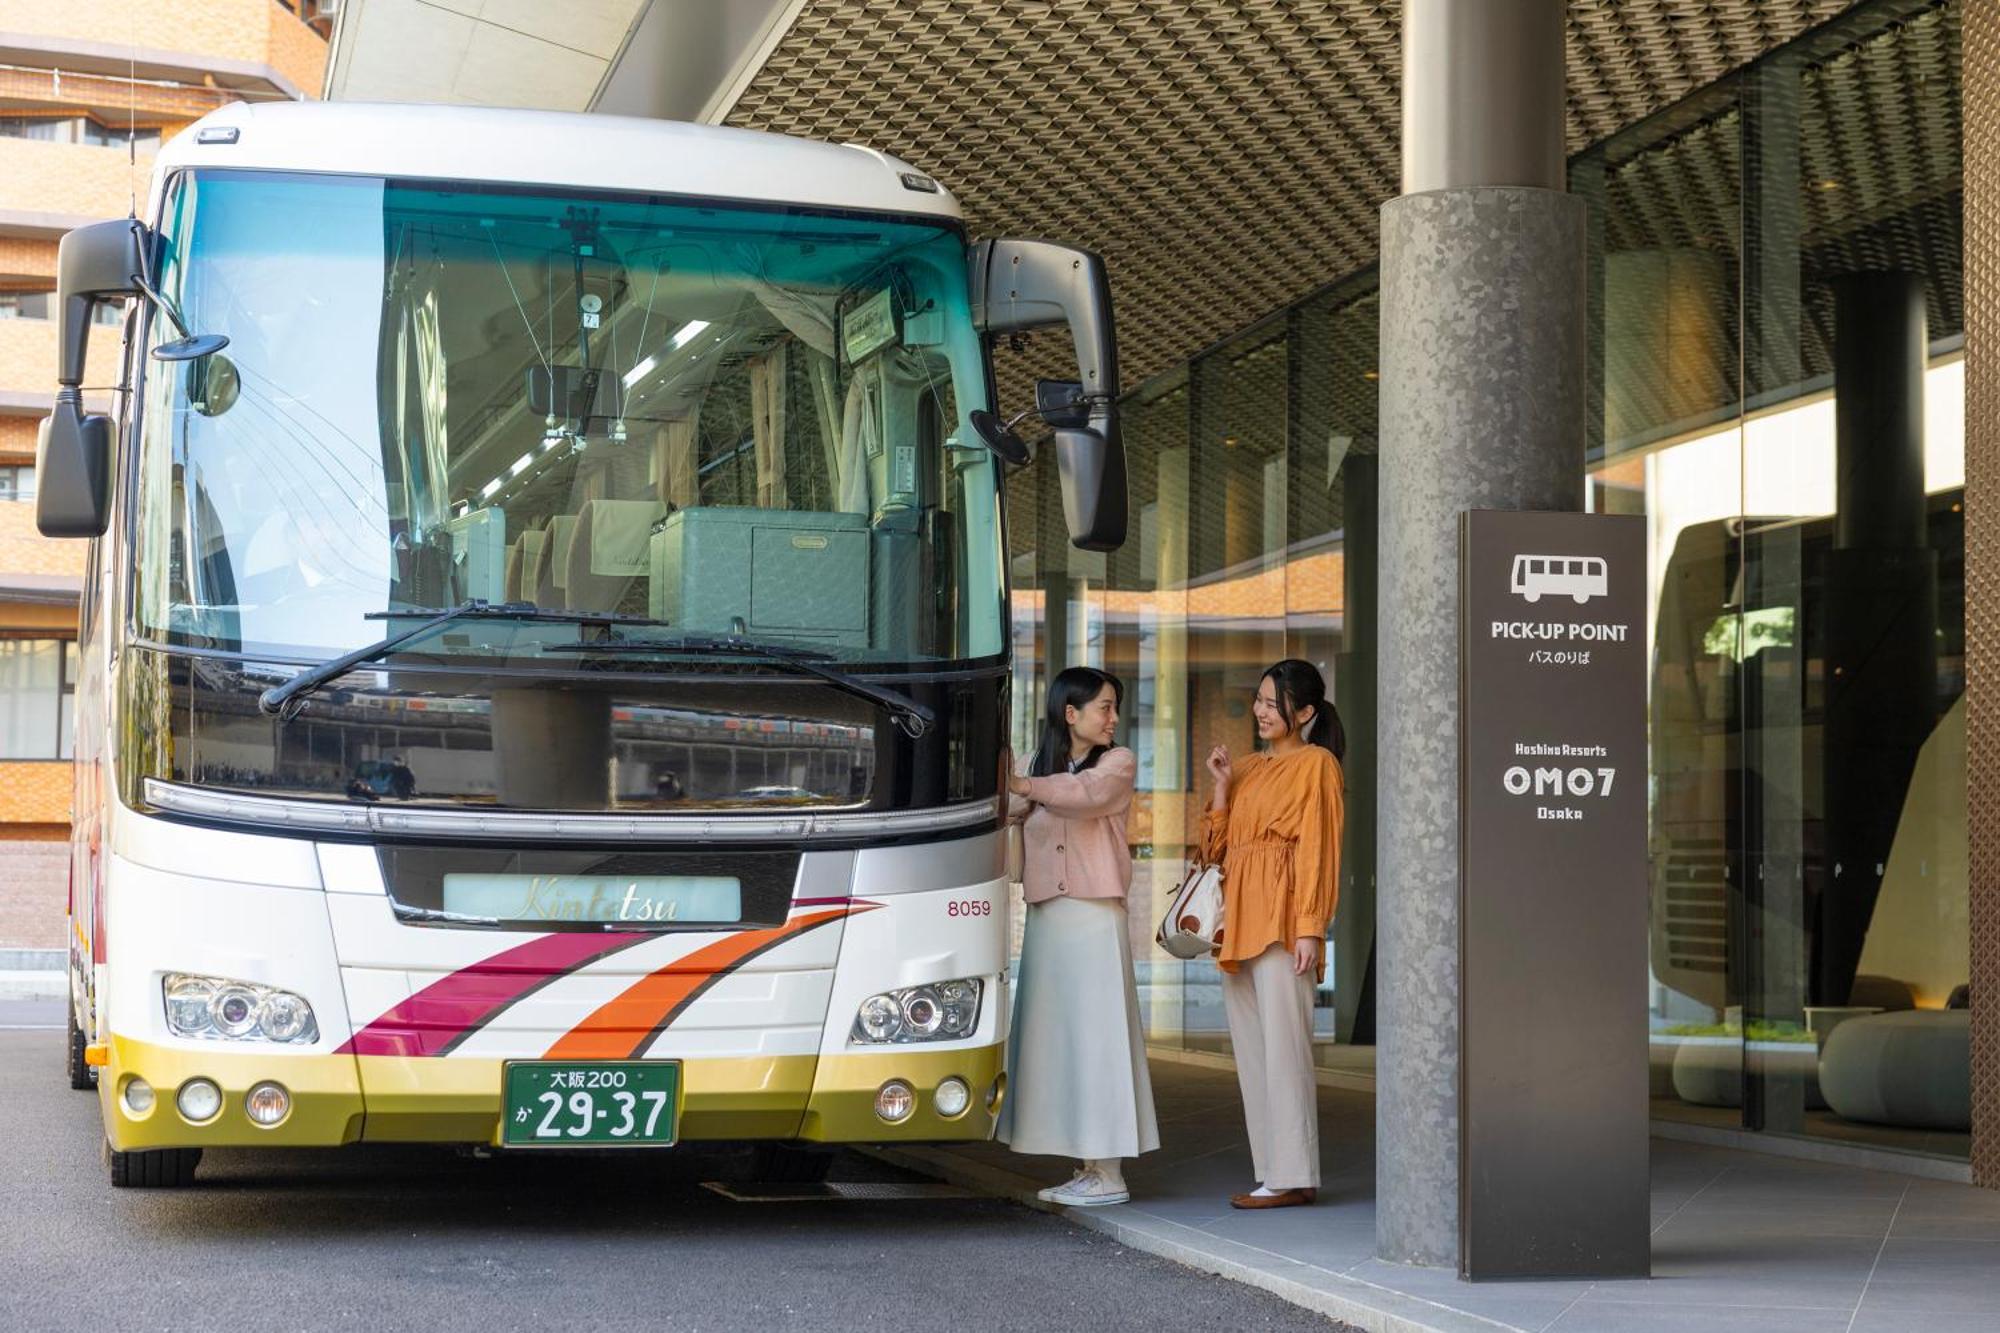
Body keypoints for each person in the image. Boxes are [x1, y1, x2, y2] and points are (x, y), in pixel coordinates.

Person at [997, 666, 1159, 1206]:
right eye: (1104, 707)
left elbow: (1088, 795)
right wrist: (1024, 789)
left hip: (1093, 916)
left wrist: (1026, 788)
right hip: (1049, 916)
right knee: (1059, 1042)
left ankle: (1110, 1171)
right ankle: (1086, 1164)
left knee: (1099, 1040)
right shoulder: (1036, 767)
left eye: (1115, 707)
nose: (1113, 718)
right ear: (1071, 713)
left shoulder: (1118, 762)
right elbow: (1010, 807)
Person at [1202, 659, 1345, 1210]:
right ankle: (1276, 1171)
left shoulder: (1318, 765)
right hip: (1240, 923)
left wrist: (1311, 928)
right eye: (1259, 700)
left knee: (1285, 1054)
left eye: (1273, 703)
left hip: (1284, 924)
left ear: (1305, 712)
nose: (1261, 711)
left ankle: (1293, 1174)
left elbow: (1319, 849)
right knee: (1255, 1056)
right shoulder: (1245, 768)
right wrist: (1220, 787)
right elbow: (1213, 852)